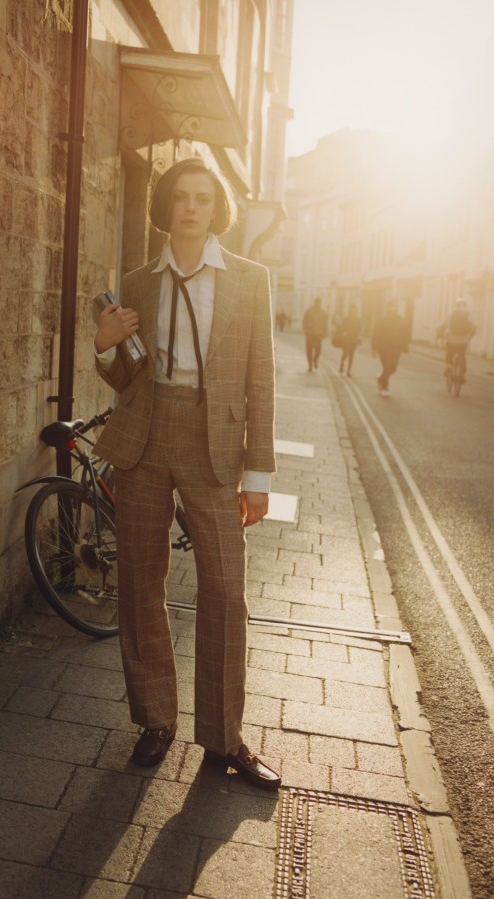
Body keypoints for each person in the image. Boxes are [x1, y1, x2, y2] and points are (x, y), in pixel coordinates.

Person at [92, 158, 280, 791]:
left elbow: (262, 382)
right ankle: (155, 721)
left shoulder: (250, 282)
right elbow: (126, 374)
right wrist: (103, 342)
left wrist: (259, 474)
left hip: (216, 444)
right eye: (181, 197)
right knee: (141, 582)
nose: (192, 207)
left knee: (225, 590)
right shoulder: (138, 281)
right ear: (165, 207)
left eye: (203, 198)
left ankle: (224, 739)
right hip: (145, 437)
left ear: (216, 208)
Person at [372, 300, 409, 397]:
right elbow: (376, 334)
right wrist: (374, 348)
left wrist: (405, 347)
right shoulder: (383, 320)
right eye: (393, 306)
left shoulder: (401, 320)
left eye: (396, 306)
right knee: (387, 367)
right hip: (384, 348)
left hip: (396, 349)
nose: (395, 308)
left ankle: (380, 378)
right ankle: (384, 387)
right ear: (388, 308)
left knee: (393, 369)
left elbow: (404, 335)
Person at [444, 299, 476, 380]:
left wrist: (445, 333)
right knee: (462, 356)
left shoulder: (451, 314)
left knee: (449, 353)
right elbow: (473, 327)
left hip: (452, 339)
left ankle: (449, 367)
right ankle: (462, 374)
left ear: (456, 305)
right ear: (465, 305)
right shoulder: (468, 315)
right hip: (463, 340)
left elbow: (446, 325)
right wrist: (470, 335)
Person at [302, 296, 328, 371]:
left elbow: (325, 323)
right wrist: (305, 330)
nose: (318, 305)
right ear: (314, 303)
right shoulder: (308, 311)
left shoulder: (323, 313)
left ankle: (315, 360)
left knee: (318, 349)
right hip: (309, 333)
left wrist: (325, 332)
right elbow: (304, 321)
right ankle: (310, 365)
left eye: (319, 304)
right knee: (309, 350)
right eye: (317, 303)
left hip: (318, 333)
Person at [337, 304, 361, 377]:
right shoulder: (347, 319)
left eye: (355, 310)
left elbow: (359, 329)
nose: (354, 311)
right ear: (350, 311)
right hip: (347, 339)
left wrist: (359, 337)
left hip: (354, 339)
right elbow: (343, 328)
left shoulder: (357, 320)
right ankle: (341, 364)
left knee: (351, 355)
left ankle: (349, 371)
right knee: (345, 353)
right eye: (352, 310)